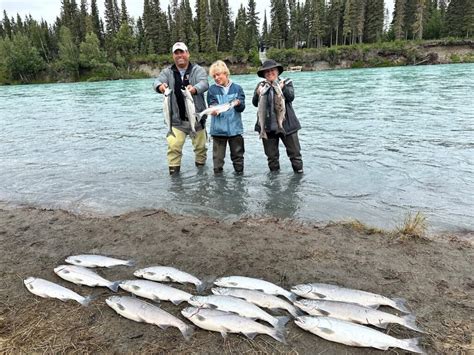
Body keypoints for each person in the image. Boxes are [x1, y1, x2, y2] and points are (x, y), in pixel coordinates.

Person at [153, 42, 209, 175]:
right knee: (173, 147)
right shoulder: (167, 72)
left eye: (182, 52)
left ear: (188, 53)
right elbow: (156, 82)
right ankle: (175, 181)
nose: (179, 56)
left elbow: (204, 83)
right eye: (176, 53)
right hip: (176, 121)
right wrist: (160, 87)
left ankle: (202, 179)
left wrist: (194, 89)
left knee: (201, 149)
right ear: (173, 56)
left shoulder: (198, 70)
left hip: (196, 119)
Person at [252, 59, 303, 173]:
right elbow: (255, 103)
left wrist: (283, 88)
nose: (270, 73)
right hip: (267, 127)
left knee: (295, 154)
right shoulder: (260, 86)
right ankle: (274, 183)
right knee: (272, 158)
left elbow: (291, 97)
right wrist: (257, 93)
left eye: (272, 70)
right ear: (264, 74)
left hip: (287, 125)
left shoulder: (287, 82)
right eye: (267, 71)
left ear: (277, 71)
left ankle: (299, 177)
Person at [207, 60, 246, 175]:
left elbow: (241, 108)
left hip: (235, 130)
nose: (216, 78)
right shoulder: (212, 90)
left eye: (218, 74)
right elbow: (212, 103)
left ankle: (239, 181)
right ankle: (219, 185)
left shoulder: (237, 88)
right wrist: (213, 110)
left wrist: (239, 103)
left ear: (225, 73)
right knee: (217, 162)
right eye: (214, 76)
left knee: (238, 159)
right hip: (218, 131)